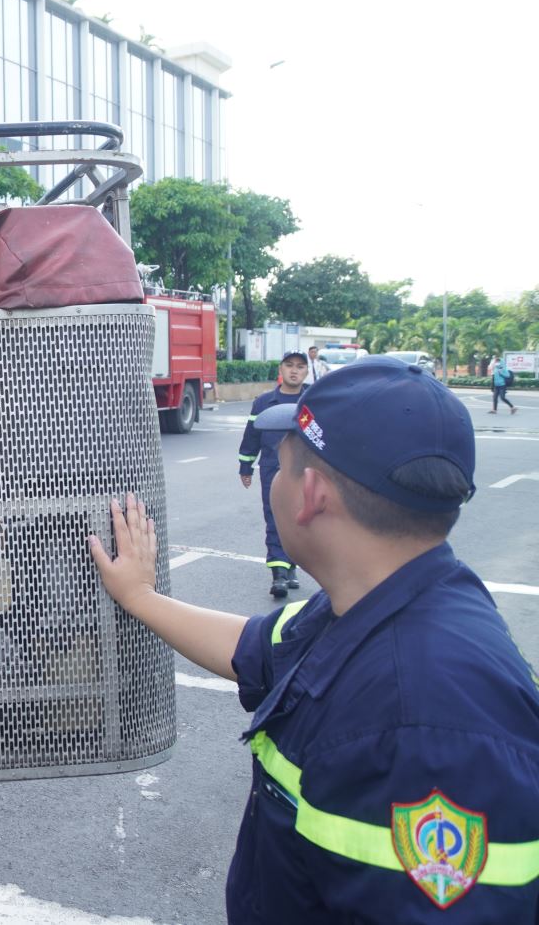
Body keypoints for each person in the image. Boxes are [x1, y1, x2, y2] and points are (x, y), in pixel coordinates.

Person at [92, 357, 539, 921]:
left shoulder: (425, 727)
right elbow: (254, 647)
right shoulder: (384, 598)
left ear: (311, 494)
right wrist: (141, 597)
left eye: (280, 462)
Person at [240, 351, 308, 598]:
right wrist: (245, 466)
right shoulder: (264, 402)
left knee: (300, 519)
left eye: (300, 367)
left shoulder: (313, 401)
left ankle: (291, 566)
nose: (294, 370)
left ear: (306, 372)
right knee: (275, 518)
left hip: (305, 470)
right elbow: (251, 436)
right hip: (272, 468)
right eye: (289, 365)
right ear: (281, 369)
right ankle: (278, 574)